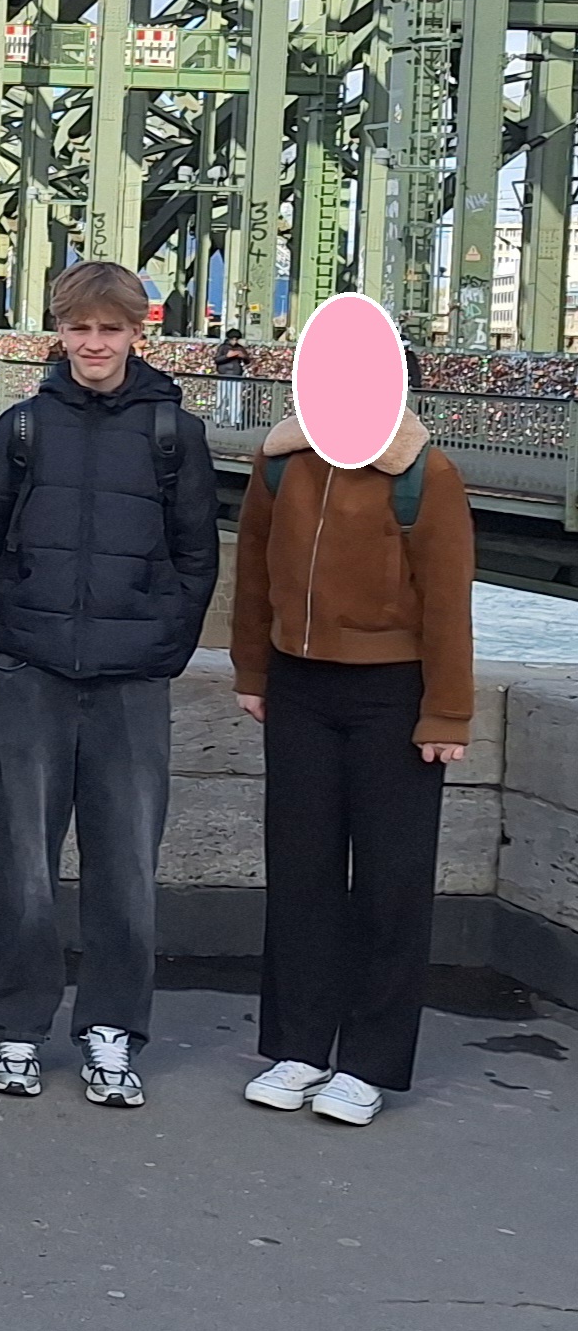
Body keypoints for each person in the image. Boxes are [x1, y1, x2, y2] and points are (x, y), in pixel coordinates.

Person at [0, 262, 217, 1107]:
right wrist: (4, 646)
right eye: (79, 328)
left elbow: (196, 556)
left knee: (125, 871)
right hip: (31, 673)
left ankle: (111, 1031)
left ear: (137, 333)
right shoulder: (21, 427)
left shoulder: (173, 434)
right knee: (19, 869)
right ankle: (17, 1029)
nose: (93, 344)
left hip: (130, 683)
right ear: (59, 333)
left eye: (109, 329)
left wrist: (160, 650)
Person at [231, 382, 475, 1125]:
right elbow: (252, 573)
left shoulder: (424, 474)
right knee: (299, 872)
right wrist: (252, 671)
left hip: (392, 692)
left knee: (390, 882)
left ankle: (367, 1063)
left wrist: (446, 712)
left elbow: (448, 600)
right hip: (298, 687)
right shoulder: (280, 463)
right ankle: (299, 1050)